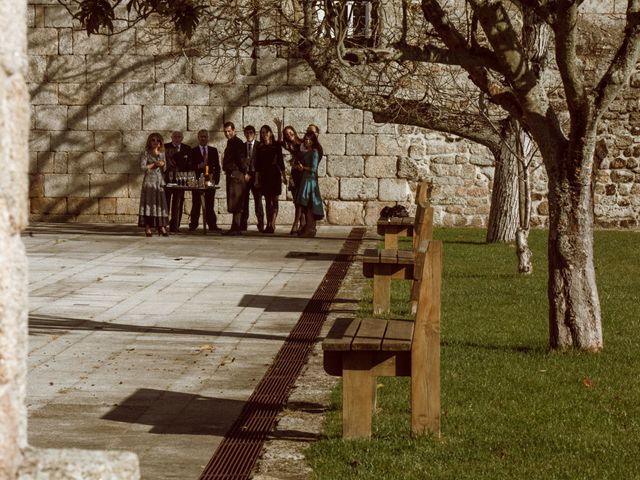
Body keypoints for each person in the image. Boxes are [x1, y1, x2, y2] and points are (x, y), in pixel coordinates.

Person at [188, 129, 221, 232]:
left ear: (208, 138)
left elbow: (217, 167)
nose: (203, 138)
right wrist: (198, 166)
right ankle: (193, 224)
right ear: (198, 138)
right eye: (201, 136)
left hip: (210, 180)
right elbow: (189, 166)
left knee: (210, 204)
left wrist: (216, 180)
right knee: (196, 203)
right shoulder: (193, 151)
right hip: (197, 181)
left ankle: (212, 225)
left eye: (205, 136)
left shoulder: (213, 150)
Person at [255, 124, 286, 234]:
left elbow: (281, 162)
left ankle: (272, 223)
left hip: (275, 175)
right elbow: (257, 165)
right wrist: (257, 179)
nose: (264, 135)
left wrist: (284, 176)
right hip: (264, 176)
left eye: (266, 132)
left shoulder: (276, 146)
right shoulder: (260, 147)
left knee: (275, 200)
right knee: (268, 201)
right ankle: (268, 223)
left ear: (270, 133)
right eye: (262, 133)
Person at [138, 132, 169, 237]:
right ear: (150, 141)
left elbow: (165, 168)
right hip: (149, 181)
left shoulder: (162, 153)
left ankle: (161, 227)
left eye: (158, 140)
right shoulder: (146, 153)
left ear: (160, 143)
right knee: (148, 204)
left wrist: (162, 164)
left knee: (160, 204)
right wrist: (154, 164)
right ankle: (148, 227)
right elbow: (142, 167)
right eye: (153, 140)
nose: (155, 142)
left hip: (159, 181)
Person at [295, 131, 324, 237]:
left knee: (309, 205)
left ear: (312, 141)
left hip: (310, 181)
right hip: (305, 179)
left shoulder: (315, 152)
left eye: (308, 139)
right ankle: (307, 228)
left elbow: (314, 168)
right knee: (305, 206)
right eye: (305, 139)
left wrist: (303, 168)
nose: (306, 141)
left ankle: (310, 229)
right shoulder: (308, 152)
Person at [222, 121, 248, 235]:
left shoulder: (237, 142)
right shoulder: (231, 142)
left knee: (236, 201)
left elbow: (241, 159)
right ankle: (235, 227)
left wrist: (244, 172)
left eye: (229, 131)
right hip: (232, 174)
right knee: (233, 201)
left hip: (236, 174)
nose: (227, 133)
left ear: (234, 130)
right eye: (225, 131)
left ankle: (236, 227)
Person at [280, 125, 306, 235]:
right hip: (293, 175)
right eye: (286, 134)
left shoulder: (301, 144)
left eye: (291, 133)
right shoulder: (287, 145)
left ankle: (296, 223)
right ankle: (302, 223)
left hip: (301, 174)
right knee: (296, 201)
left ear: (294, 132)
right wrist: (279, 128)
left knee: (299, 201)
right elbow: (279, 143)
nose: (289, 135)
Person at [163, 131, 190, 232]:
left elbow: (189, 165)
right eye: (175, 137)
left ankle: (175, 226)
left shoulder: (187, 148)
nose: (177, 138)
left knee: (178, 202)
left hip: (180, 180)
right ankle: (163, 225)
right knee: (165, 202)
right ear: (171, 137)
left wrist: (187, 179)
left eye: (179, 137)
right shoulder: (165, 147)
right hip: (167, 179)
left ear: (182, 138)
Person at [241, 125, 265, 232]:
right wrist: (244, 173)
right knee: (244, 201)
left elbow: (261, 162)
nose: (248, 135)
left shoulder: (260, 145)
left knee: (258, 201)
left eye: (251, 133)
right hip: (246, 176)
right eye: (246, 133)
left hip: (256, 176)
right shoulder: (242, 146)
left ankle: (260, 223)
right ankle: (243, 224)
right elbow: (241, 162)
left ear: (254, 134)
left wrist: (258, 177)